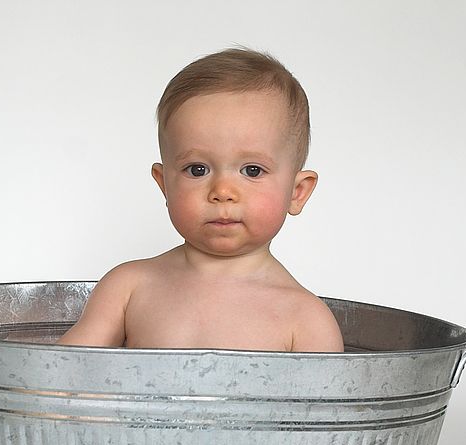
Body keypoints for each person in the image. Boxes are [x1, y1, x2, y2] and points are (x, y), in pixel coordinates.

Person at [57, 47, 344, 352]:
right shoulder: (128, 288)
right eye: (197, 169)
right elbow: (53, 378)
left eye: (252, 170)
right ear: (165, 184)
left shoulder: (305, 321)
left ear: (297, 192)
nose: (222, 190)